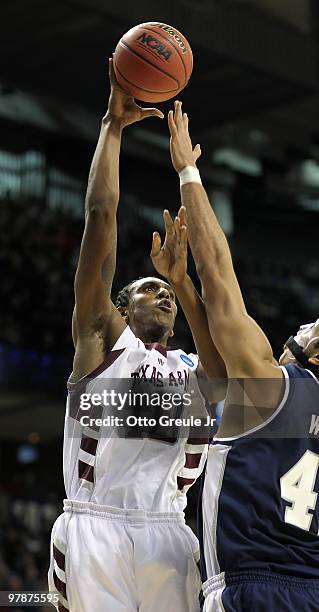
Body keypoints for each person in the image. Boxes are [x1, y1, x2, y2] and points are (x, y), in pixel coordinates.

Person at [48, 64, 226, 612]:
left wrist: (180, 278)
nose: (165, 297)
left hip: (169, 533)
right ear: (122, 309)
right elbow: (101, 218)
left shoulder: (192, 371)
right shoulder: (103, 341)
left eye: (167, 294)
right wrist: (113, 126)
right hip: (96, 524)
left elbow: (225, 377)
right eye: (151, 289)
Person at [167, 100, 319, 611]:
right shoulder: (262, 392)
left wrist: (188, 170)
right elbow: (221, 379)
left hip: (251, 587)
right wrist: (183, 291)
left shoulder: (270, 385)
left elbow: (221, 277)